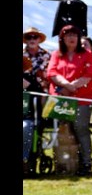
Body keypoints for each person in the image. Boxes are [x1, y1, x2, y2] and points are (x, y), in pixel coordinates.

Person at [46, 25, 92, 176]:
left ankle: (85, 163)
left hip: (81, 99)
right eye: (68, 35)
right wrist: (65, 85)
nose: (72, 38)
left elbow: (89, 74)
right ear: (62, 38)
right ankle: (63, 163)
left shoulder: (87, 54)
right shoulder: (56, 54)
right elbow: (51, 73)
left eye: (74, 35)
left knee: (81, 130)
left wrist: (72, 86)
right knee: (62, 130)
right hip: (61, 99)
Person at [23, 27, 51, 175]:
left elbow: (48, 77)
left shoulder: (46, 55)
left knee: (36, 128)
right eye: (29, 37)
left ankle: (32, 160)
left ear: (39, 39)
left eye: (35, 37)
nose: (32, 39)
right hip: (24, 96)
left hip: (40, 96)